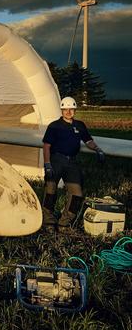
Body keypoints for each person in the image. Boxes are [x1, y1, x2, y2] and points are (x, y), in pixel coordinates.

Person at [41, 96, 105, 233]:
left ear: (75, 110)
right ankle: (48, 222)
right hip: (55, 160)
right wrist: (47, 164)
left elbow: (88, 141)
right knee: (50, 191)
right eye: (65, 109)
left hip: (72, 162)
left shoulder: (80, 125)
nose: (68, 112)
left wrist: (98, 149)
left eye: (71, 109)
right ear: (61, 110)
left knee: (77, 194)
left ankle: (64, 223)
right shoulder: (54, 126)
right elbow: (46, 146)